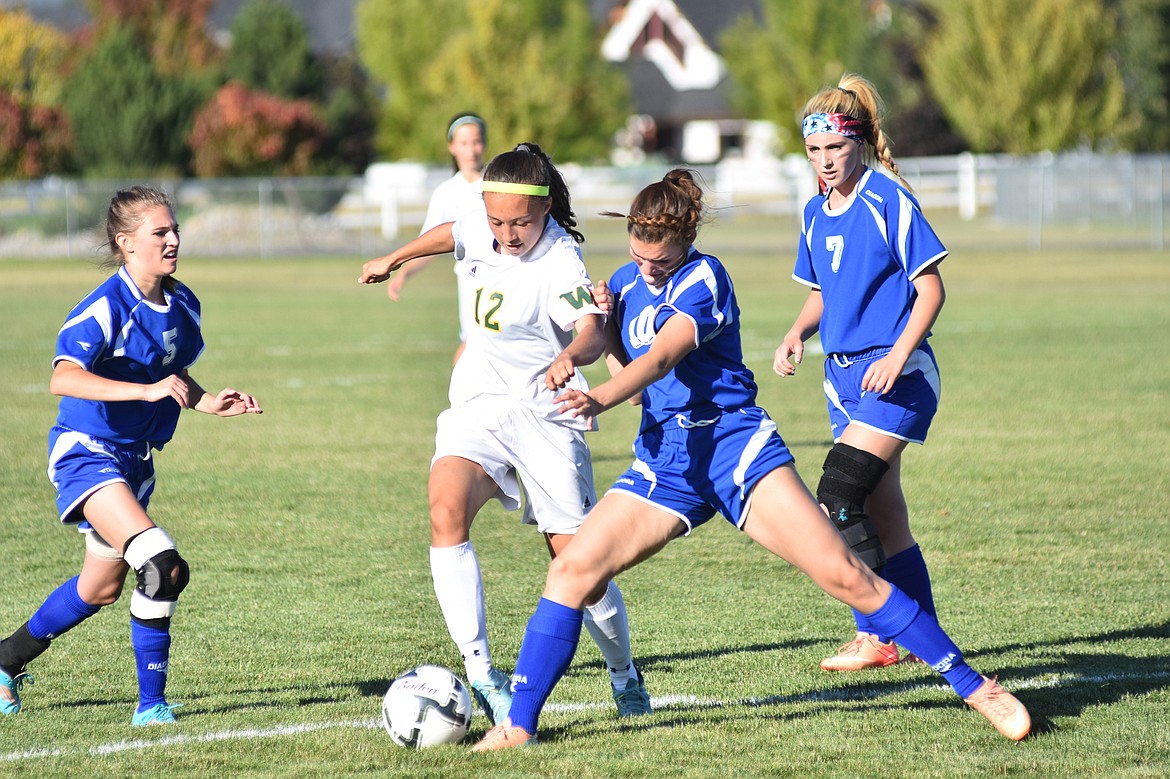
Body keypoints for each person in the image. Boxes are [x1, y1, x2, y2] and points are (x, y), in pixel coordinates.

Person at [471, 169, 1030, 751]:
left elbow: (662, 359)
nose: (646, 269)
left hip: (736, 451)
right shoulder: (626, 281)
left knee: (844, 574)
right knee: (571, 571)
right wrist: (598, 337)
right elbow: (634, 380)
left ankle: (975, 686)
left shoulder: (705, 278)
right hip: (667, 461)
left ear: (686, 241)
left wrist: (596, 397)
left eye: (658, 261)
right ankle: (518, 725)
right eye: (638, 257)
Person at [359, 143, 650, 725]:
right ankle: (483, 674)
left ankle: (622, 673)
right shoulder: (478, 223)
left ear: (544, 211)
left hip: (545, 414)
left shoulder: (560, 259)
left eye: (521, 221)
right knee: (445, 510)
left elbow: (590, 330)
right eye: (497, 220)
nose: (508, 232)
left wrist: (572, 353)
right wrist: (395, 256)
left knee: (578, 566)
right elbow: (451, 231)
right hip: (479, 404)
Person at [0, 186, 262, 725]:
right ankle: (151, 707)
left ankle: (4, 659)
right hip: (87, 452)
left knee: (99, 589)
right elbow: (63, 376)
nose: (172, 239)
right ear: (125, 243)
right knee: (162, 566)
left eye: (174, 229)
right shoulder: (104, 306)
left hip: (135, 462)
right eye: (159, 232)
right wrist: (143, 393)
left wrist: (209, 401)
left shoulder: (183, 302)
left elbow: (169, 374)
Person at [773, 73, 946, 673]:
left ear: (861, 143)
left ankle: (876, 633)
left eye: (836, 148)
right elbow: (825, 291)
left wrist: (897, 357)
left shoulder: (887, 197)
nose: (824, 161)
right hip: (842, 380)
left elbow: (930, 289)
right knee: (884, 513)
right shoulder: (814, 213)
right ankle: (925, 639)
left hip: (897, 376)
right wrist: (798, 331)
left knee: (839, 496)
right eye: (814, 151)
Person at [385, 113, 488, 364]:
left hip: (505, 277)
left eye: (476, 142)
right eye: (463, 143)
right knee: (472, 348)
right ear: (452, 146)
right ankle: (463, 402)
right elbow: (429, 245)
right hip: (470, 282)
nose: (471, 150)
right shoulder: (446, 192)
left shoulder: (498, 182)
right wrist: (404, 273)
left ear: (484, 143)